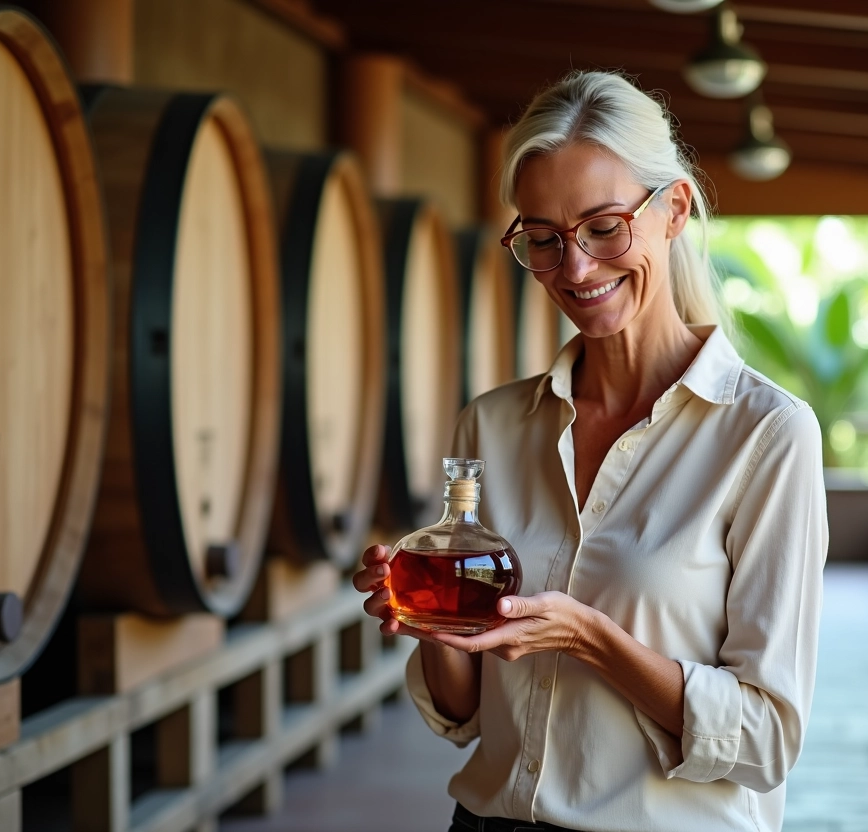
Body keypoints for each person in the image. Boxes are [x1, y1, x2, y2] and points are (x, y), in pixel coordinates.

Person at [354, 70, 827, 832]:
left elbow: (767, 739)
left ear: (673, 210)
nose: (574, 269)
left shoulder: (766, 434)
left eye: (604, 227)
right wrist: (431, 625)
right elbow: (465, 714)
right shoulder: (492, 425)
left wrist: (591, 638)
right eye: (542, 239)